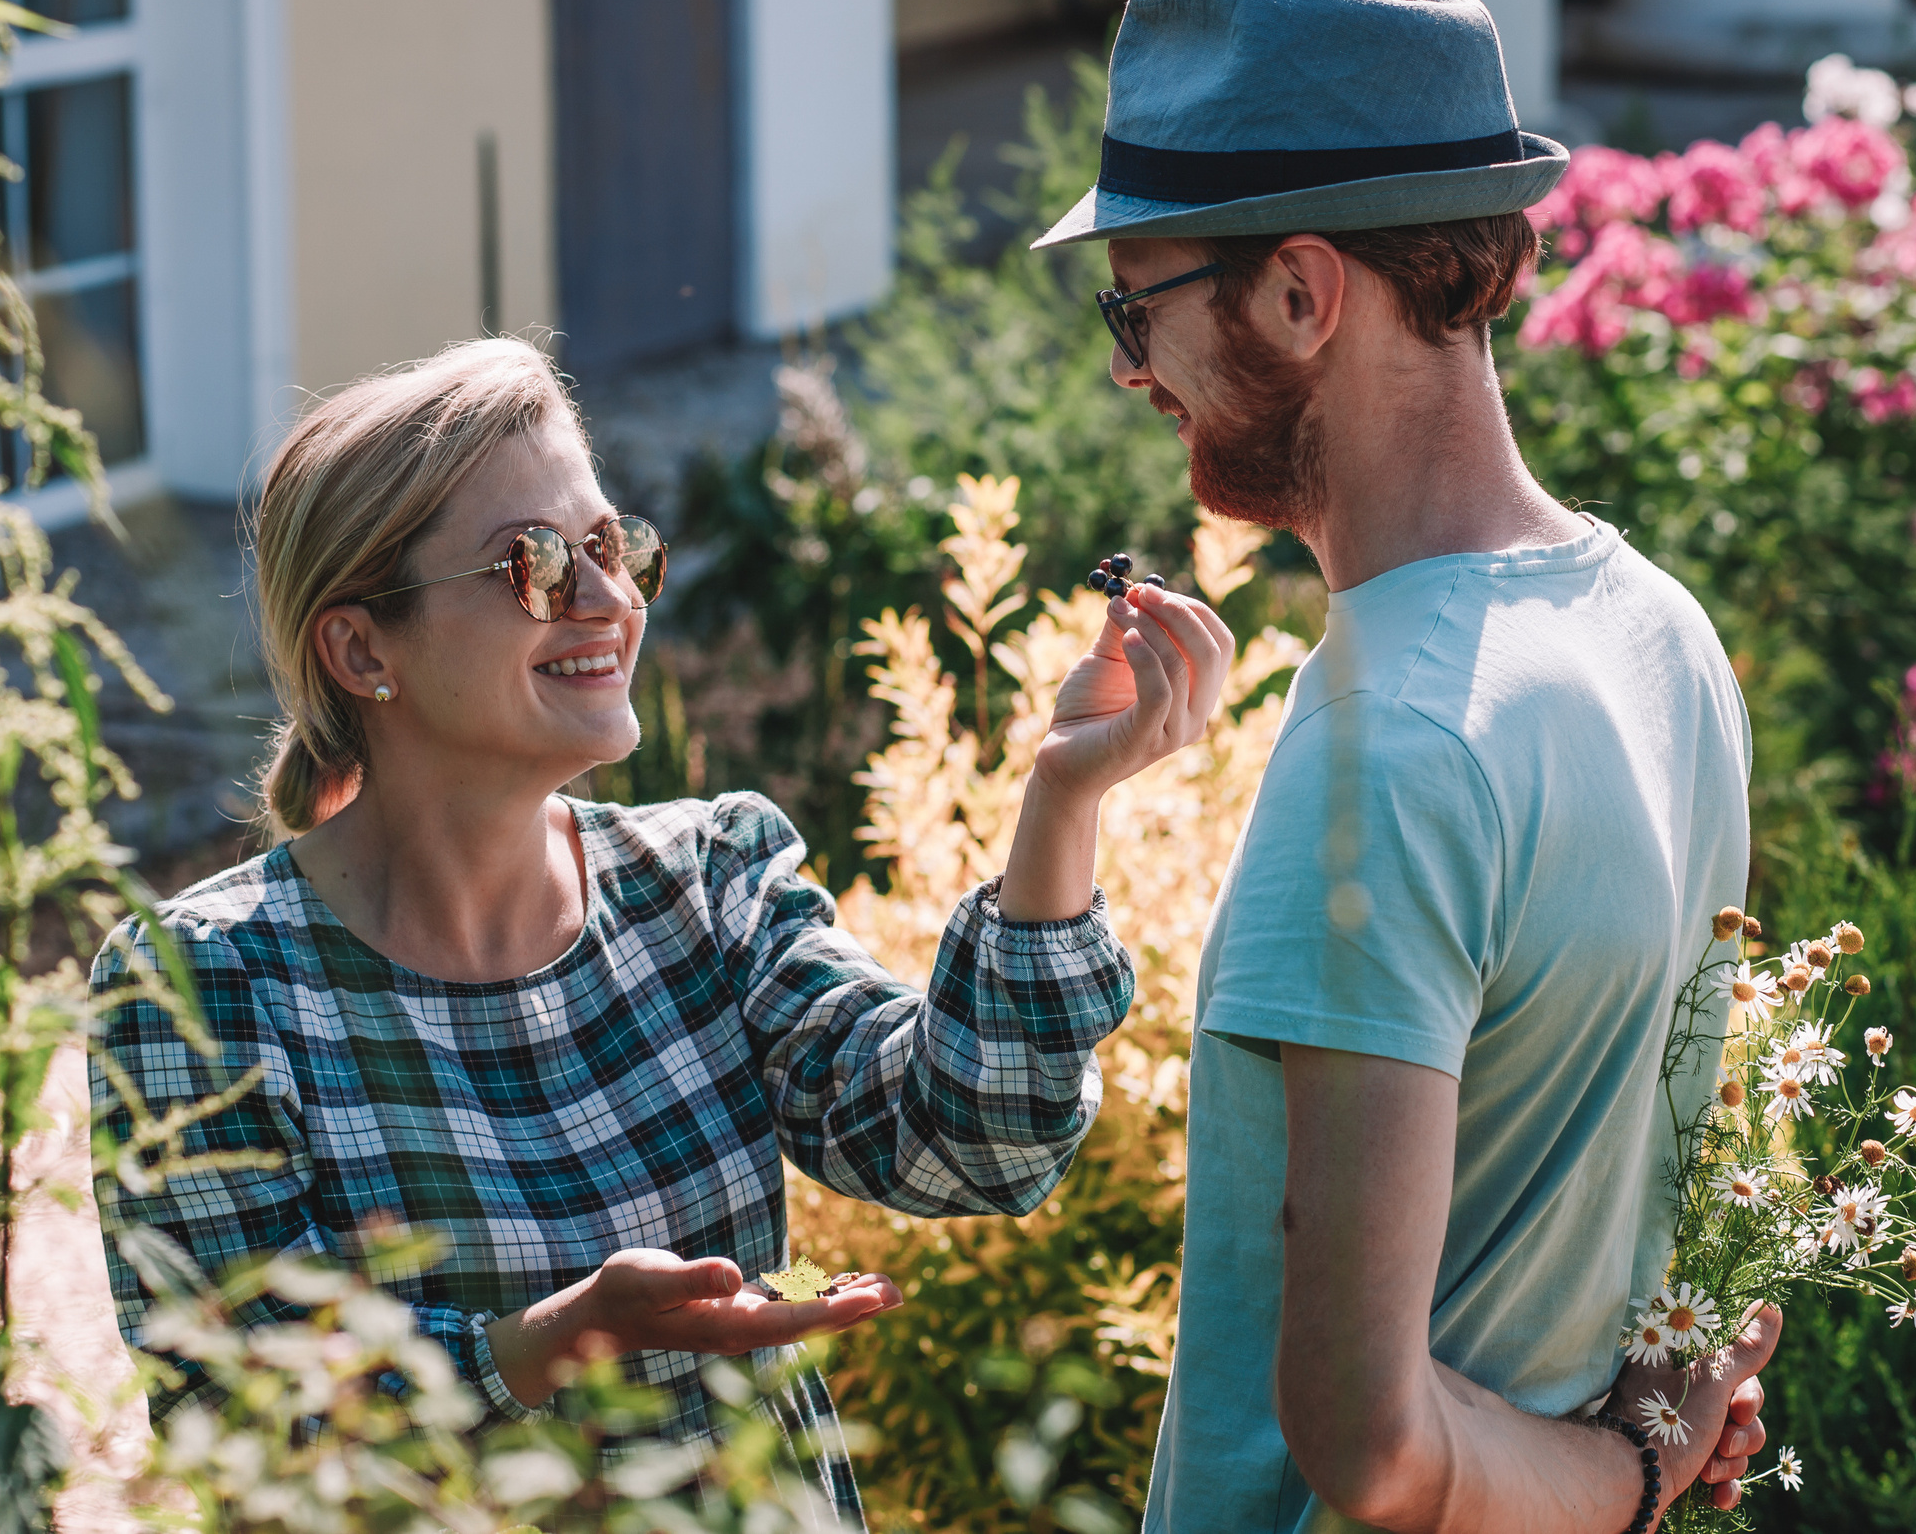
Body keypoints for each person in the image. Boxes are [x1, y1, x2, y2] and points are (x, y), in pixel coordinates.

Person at [88, 336, 1236, 1522]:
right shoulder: (201, 987)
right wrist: (549, 1343)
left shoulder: (709, 878)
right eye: (530, 565)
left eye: (612, 545)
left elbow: (976, 1143)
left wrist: (1060, 796)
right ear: (361, 648)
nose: (609, 599)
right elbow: (237, 1416)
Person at [1027, 0, 1777, 1533]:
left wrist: (1633, 1477)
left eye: (1136, 301)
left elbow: (1365, 1445)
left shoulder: (1393, 742)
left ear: (1302, 295)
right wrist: (1653, 1427)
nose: (1124, 367)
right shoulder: (1659, 630)